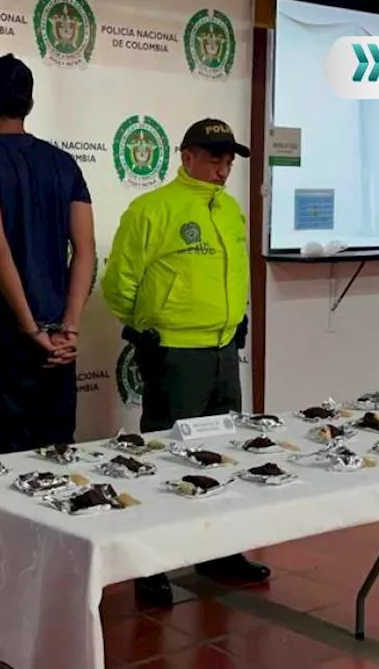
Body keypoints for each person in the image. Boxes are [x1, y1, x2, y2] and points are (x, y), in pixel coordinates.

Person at [100, 118, 270, 607]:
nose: (224, 166)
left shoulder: (232, 211)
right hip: (174, 352)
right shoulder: (152, 208)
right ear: (186, 156)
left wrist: (234, 320)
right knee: (162, 460)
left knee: (223, 456)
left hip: (222, 351)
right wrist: (147, 329)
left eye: (229, 158)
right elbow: (119, 283)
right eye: (215, 157)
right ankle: (149, 566)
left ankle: (219, 553)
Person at [0, 53, 96, 454]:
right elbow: (84, 251)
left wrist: (30, 329)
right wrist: (68, 329)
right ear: (30, 104)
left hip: (6, 341)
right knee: (58, 459)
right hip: (59, 344)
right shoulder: (63, 163)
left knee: (3, 466)